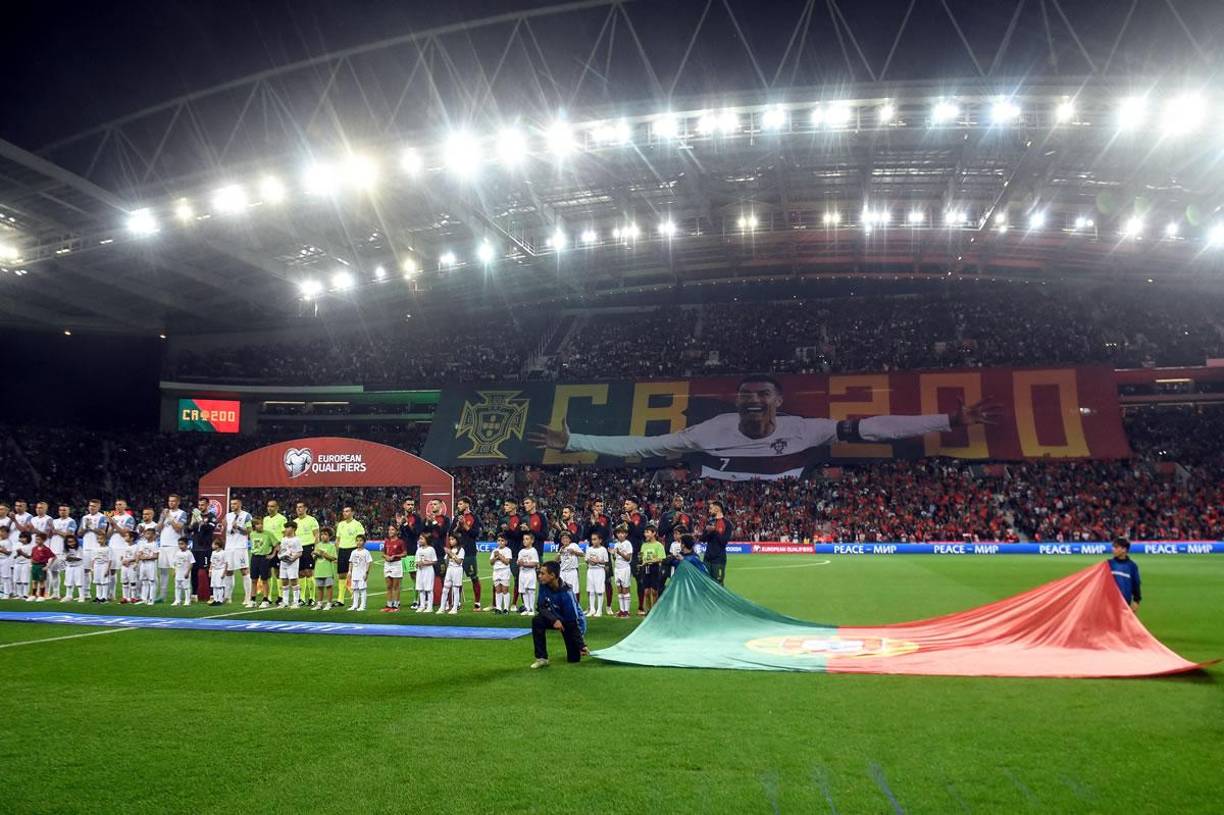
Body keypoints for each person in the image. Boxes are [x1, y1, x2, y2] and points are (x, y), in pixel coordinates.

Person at [531, 376, 999, 480]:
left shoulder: (805, 429)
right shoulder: (711, 431)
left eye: (762, 395)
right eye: (746, 395)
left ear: (777, 401)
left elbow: (875, 428)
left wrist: (948, 420)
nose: (752, 400)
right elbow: (645, 445)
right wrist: (574, 440)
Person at [530, 561, 588, 669]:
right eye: (539, 573)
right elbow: (541, 607)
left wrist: (581, 644)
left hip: (572, 622)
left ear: (552, 575)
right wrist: (554, 620)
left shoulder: (566, 593)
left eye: (542, 574)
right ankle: (542, 658)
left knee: (574, 659)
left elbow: (573, 622)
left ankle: (579, 647)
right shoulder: (543, 585)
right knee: (537, 620)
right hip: (557, 618)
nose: (539, 576)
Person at [451, 496, 483, 612]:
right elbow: (451, 533)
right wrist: (458, 526)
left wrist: (464, 525)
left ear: (467, 505)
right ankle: (457, 602)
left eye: (460, 504)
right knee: (457, 578)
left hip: (469, 551)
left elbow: (475, 534)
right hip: (458, 551)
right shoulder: (456, 518)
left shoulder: (474, 517)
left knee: (473, 577)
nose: (458, 506)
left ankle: (477, 603)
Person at [156, 495, 187, 603]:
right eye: (169, 501)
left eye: (173, 501)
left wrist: (169, 516)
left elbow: (178, 528)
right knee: (163, 572)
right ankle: (162, 596)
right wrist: (162, 518)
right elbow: (158, 529)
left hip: (175, 545)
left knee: (178, 571)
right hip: (163, 545)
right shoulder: (164, 513)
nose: (171, 503)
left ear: (178, 502)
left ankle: (180, 596)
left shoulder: (182, 513)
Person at [224, 498, 254, 607]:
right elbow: (225, 530)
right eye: (231, 504)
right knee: (229, 571)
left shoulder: (247, 515)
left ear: (240, 504)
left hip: (240, 547)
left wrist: (239, 528)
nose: (232, 505)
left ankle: (247, 597)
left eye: (235, 503)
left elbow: (249, 531)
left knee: (244, 571)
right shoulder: (228, 516)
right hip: (229, 547)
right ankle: (228, 597)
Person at [335, 506, 365, 607]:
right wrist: (336, 553)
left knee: (352, 575)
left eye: (347, 511)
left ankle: (354, 597)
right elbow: (338, 540)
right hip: (342, 551)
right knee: (341, 575)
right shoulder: (341, 524)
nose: (345, 513)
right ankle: (340, 600)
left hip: (352, 550)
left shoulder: (357, 525)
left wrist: (358, 552)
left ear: (352, 512)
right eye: (344, 511)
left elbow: (361, 539)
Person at [79, 499, 108, 600]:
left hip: (97, 548)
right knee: (86, 570)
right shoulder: (84, 518)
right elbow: (79, 533)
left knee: (98, 571)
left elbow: (103, 532)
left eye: (94, 506)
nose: (92, 508)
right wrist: (85, 528)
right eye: (90, 506)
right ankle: (87, 593)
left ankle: (102, 595)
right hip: (86, 547)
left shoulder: (102, 517)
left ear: (99, 507)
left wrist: (91, 526)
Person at [292, 501, 320, 607]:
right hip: (298, 548)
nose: (299, 509)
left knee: (309, 572)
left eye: (301, 507)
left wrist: (316, 549)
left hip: (309, 547)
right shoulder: (294, 522)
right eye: (297, 507)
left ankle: (312, 598)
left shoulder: (312, 520)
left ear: (305, 508)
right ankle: (302, 598)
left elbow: (316, 535)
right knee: (300, 573)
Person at [107, 500, 136, 602]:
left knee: (126, 572)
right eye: (116, 505)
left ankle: (130, 596)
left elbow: (125, 533)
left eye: (120, 504)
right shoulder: (113, 518)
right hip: (112, 545)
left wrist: (114, 524)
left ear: (125, 506)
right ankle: (111, 594)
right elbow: (108, 535)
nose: (117, 506)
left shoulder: (129, 518)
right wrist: (111, 525)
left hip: (123, 547)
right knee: (112, 570)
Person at [701, 500, 734, 586]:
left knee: (718, 585)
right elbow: (702, 539)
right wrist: (707, 532)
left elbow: (724, 542)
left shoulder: (727, 524)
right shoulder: (710, 522)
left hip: (718, 559)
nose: (709, 510)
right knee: (705, 584)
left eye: (711, 508)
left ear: (717, 509)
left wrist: (714, 530)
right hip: (707, 558)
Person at [48, 503, 77, 600]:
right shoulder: (54, 521)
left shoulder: (71, 521)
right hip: (53, 549)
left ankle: (69, 594)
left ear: (68, 511)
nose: (62, 512)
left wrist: (56, 531)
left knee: (67, 572)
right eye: (61, 510)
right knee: (54, 572)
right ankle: (56, 593)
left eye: (64, 510)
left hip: (64, 551)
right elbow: (50, 534)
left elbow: (70, 535)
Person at [189, 499, 216, 601]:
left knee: (207, 571)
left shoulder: (211, 517)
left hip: (206, 548)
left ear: (207, 505)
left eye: (202, 505)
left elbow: (209, 528)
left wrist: (200, 519)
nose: (200, 507)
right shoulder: (195, 517)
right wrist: (192, 521)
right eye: (199, 505)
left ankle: (212, 594)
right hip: (195, 548)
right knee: (194, 571)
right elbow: (188, 530)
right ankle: (194, 594)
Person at [262, 500, 288, 605]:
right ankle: (267, 597)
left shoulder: (282, 519)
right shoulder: (265, 519)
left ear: (277, 507)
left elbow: (284, 533)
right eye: (268, 506)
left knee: (278, 573)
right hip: (267, 548)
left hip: (278, 547)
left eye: (272, 506)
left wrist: (281, 546)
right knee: (266, 573)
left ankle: (280, 596)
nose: (270, 508)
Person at [638, 525, 666, 614]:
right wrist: (641, 563)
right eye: (645, 532)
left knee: (654, 591)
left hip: (655, 568)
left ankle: (655, 610)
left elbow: (661, 558)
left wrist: (651, 560)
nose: (645, 534)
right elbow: (641, 558)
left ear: (654, 533)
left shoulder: (659, 545)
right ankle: (649, 610)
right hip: (645, 569)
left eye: (647, 532)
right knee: (646, 592)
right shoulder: (644, 545)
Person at [1109, 536, 1142, 611]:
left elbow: (1136, 584)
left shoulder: (1132, 566)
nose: (1113, 549)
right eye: (1113, 547)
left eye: (1116, 547)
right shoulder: (1108, 564)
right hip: (1109, 604)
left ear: (1124, 549)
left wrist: (1136, 601)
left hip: (1124, 605)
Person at [248, 516, 275, 608]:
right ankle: (252, 599)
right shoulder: (252, 534)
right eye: (258, 524)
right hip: (254, 557)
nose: (260, 526)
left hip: (264, 558)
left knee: (264, 579)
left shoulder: (268, 534)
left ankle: (265, 599)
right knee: (253, 579)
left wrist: (272, 555)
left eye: (261, 524)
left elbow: (277, 545)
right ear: (254, 526)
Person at [277, 520, 303, 608]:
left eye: (288, 527)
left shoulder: (297, 539)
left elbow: (300, 552)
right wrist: (280, 555)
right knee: (284, 581)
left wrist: (292, 558)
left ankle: (296, 601)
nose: (286, 529)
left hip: (293, 563)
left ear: (293, 529)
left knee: (293, 581)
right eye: (286, 527)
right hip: (283, 563)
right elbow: (281, 550)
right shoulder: (283, 539)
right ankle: (285, 601)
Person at [313, 526, 339, 610]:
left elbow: (334, 558)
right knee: (319, 587)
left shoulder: (332, 546)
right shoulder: (318, 545)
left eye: (325, 534)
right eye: (322, 534)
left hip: (328, 570)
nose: (323, 536)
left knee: (329, 587)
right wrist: (314, 555)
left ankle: (329, 603)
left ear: (329, 536)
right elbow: (314, 556)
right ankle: (319, 603)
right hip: (319, 570)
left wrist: (324, 554)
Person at [584, 530, 609, 617]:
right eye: (592, 539)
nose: (593, 541)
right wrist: (590, 561)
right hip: (590, 571)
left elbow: (606, 562)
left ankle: (599, 610)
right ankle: (592, 609)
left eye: (595, 539)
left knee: (599, 591)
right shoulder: (589, 549)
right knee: (591, 591)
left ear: (600, 540)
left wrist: (598, 561)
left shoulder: (603, 550)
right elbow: (586, 560)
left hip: (599, 571)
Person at [381, 524, 406, 613]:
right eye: (389, 530)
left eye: (392, 530)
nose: (390, 531)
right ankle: (389, 605)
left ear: (396, 531)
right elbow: (383, 553)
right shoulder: (387, 541)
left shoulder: (400, 542)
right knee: (388, 586)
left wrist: (395, 556)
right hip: (387, 564)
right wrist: (386, 556)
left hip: (396, 564)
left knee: (396, 586)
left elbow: (405, 553)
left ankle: (396, 605)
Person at [611, 525, 634, 618]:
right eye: (619, 533)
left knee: (625, 589)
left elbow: (629, 558)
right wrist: (613, 554)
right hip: (617, 568)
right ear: (616, 534)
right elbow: (616, 558)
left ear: (626, 534)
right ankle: (621, 610)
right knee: (619, 589)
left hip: (625, 568)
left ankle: (626, 611)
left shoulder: (628, 544)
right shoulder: (616, 544)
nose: (620, 535)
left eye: (622, 533)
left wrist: (620, 553)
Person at [439, 533, 465, 615]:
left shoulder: (461, 550)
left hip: (457, 570)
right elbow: (446, 561)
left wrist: (451, 554)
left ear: (457, 540)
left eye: (452, 539)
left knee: (456, 589)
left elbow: (459, 561)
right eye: (450, 539)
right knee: (445, 589)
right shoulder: (450, 549)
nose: (450, 541)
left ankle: (454, 608)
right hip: (449, 569)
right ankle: (442, 607)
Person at [489, 533, 514, 615]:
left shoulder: (508, 550)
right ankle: (498, 608)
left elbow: (507, 562)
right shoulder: (494, 551)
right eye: (499, 540)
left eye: (502, 541)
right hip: (496, 571)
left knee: (505, 590)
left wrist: (499, 556)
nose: (500, 542)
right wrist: (495, 557)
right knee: (498, 590)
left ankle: (506, 608)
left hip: (504, 571)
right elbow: (491, 562)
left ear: (506, 542)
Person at [517, 532, 540, 616]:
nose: (524, 541)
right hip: (522, 573)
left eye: (527, 539)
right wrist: (520, 563)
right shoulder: (521, 551)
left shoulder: (533, 551)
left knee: (531, 591)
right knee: (524, 591)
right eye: (524, 539)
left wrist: (524, 564)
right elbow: (518, 562)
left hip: (530, 574)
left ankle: (531, 609)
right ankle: (526, 608)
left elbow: (535, 563)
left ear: (532, 541)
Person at [347, 535, 373, 612]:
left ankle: (362, 605)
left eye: (361, 540)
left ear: (364, 542)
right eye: (357, 540)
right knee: (355, 589)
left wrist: (366, 573)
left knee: (362, 589)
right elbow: (351, 562)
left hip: (362, 574)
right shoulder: (353, 552)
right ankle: (355, 605)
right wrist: (349, 571)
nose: (359, 542)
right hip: (354, 574)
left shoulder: (366, 552)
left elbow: (369, 562)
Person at [412, 533, 436, 613]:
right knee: (420, 588)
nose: (420, 540)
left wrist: (425, 563)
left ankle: (429, 606)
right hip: (420, 571)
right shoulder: (419, 549)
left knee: (428, 589)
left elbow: (434, 561)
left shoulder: (431, 549)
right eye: (419, 538)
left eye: (422, 539)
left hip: (428, 571)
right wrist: (418, 563)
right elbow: (416, 560)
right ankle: (422, 605)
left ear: (426, 540)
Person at [556, 531, 582, 602]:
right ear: (561, 540)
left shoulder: (574, 545)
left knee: (575, 590)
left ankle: (576, 606)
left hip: (572, 571)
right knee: (562, 590)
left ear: (570, 539)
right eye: (563, 538)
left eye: (566, 538)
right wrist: (559, 554)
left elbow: (582, 554)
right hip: (563, 572)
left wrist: (574, 552)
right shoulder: (561, 548)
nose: (565, 540)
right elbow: (556, 561)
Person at [137, 527, 160, 605]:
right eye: (146, 533)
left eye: (148, 533)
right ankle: (144, 599)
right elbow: (139, 554)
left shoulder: (154, 544)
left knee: (152, 582)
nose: (146, 535)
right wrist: (141, 557)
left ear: (153, 535)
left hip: (151, 564)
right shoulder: (143, 544)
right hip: (143, 564)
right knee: (144, 582)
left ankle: (151, 599)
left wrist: (147, 557)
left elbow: (156, 556)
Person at [29, 533, 55, 601]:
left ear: (43, 540)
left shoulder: (46, 549)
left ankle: (42, 596)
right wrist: (31, 563)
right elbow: (31, 556)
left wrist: (47, 566)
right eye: (36, 539)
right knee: (34, 581)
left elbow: (54, 557)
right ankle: (33, 595)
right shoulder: (34, 548)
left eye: (39, 539)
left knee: (41, 581)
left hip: (41, 566)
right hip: (34, 566)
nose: (37, 541)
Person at [63, 535, 87, 602]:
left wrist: (70, 558)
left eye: (73, 542)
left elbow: (78, 558)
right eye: (69, 542)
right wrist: (70, 558)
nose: (71, 543)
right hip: (69, 567)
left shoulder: (79, 548)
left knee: (79, 582)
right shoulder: (65, 549)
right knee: (68, 582)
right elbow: (65, 559)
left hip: (78, 567)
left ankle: (81, 596)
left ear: (76, 542)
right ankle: (68, 596)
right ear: (67, 543)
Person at [171, 538, 194, 606]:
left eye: (182, 544)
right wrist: (174, 571)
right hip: (178, 572)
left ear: (186, 544)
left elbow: (191, 563)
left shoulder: (189, 553)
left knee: (186, 587)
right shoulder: (177, 553)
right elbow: (174, 563)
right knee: (177, 586)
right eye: (179, 544)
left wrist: (187, 572)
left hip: (185, 573)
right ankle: (177, 600)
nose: (180, 546)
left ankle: (187, 601)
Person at [120, 531, 140, 604]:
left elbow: (137, 556)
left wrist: (130, 561)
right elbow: (121, 556)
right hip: (124, 566)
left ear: (132, 538)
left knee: (132, 582)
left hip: (131, 566)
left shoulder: (136, 546)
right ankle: (125, 597)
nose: (125, 537)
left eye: (127, 536)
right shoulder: (124, 545)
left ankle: (133, 597)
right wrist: (122, 561)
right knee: (124, 581)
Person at [209, 539, 230, 606]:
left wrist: (224, 572)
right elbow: (211, 562)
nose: (212, 545)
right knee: (214, 586)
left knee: (219, 586)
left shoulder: (223, 553)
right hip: (214, 571)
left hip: (220, 570)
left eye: (213, 544)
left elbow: (226, 563)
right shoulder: (213, 553)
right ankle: (215, 600)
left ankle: (220, 600)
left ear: (217, 545)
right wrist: (210, 571)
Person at [13, 532, 33, 600]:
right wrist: (17, 555)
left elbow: (29, 556)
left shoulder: (30, 546)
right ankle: (19, 594)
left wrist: (21, 553)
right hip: (17, 563)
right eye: (21, 537)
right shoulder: (18, 545)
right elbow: (16, 556)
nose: (22, 539)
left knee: (25, 580)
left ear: (28, 538)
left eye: (24, 537)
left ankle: (25, 594)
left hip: (26, 564)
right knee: (18, 579)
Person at [91, 538, 111, 603]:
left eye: (101, 539)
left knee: (104, 581)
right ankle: (98, 597)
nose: (100, 540)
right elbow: (93, 559)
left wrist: (108, 569)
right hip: (96, 566)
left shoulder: (108, 549)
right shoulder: (95, 548)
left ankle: (104, 597)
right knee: (98, 581)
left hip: (104, 565)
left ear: (105, 540)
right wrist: (92, 568)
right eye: (98, 539)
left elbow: (110, 560)